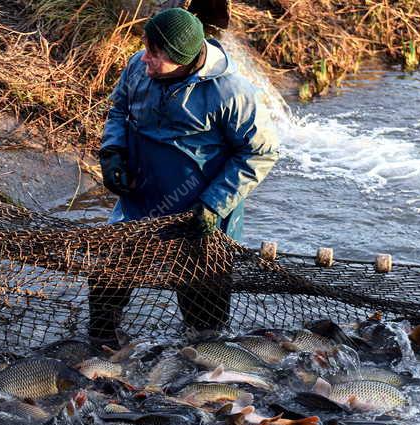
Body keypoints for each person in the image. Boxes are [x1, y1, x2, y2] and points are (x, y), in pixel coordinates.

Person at [90, 6, 280, 347]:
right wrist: (112, 152)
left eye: (154, 54)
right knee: (105, 289)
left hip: (201, 220)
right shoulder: (138, 67)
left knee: (205, 333)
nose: (143, 58)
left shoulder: (233, 93)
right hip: (139, 208)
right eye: (145, 47)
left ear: (182, 59)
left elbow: (260, 152)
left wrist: (213, 205)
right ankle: (102, 348)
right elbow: (119, 109)